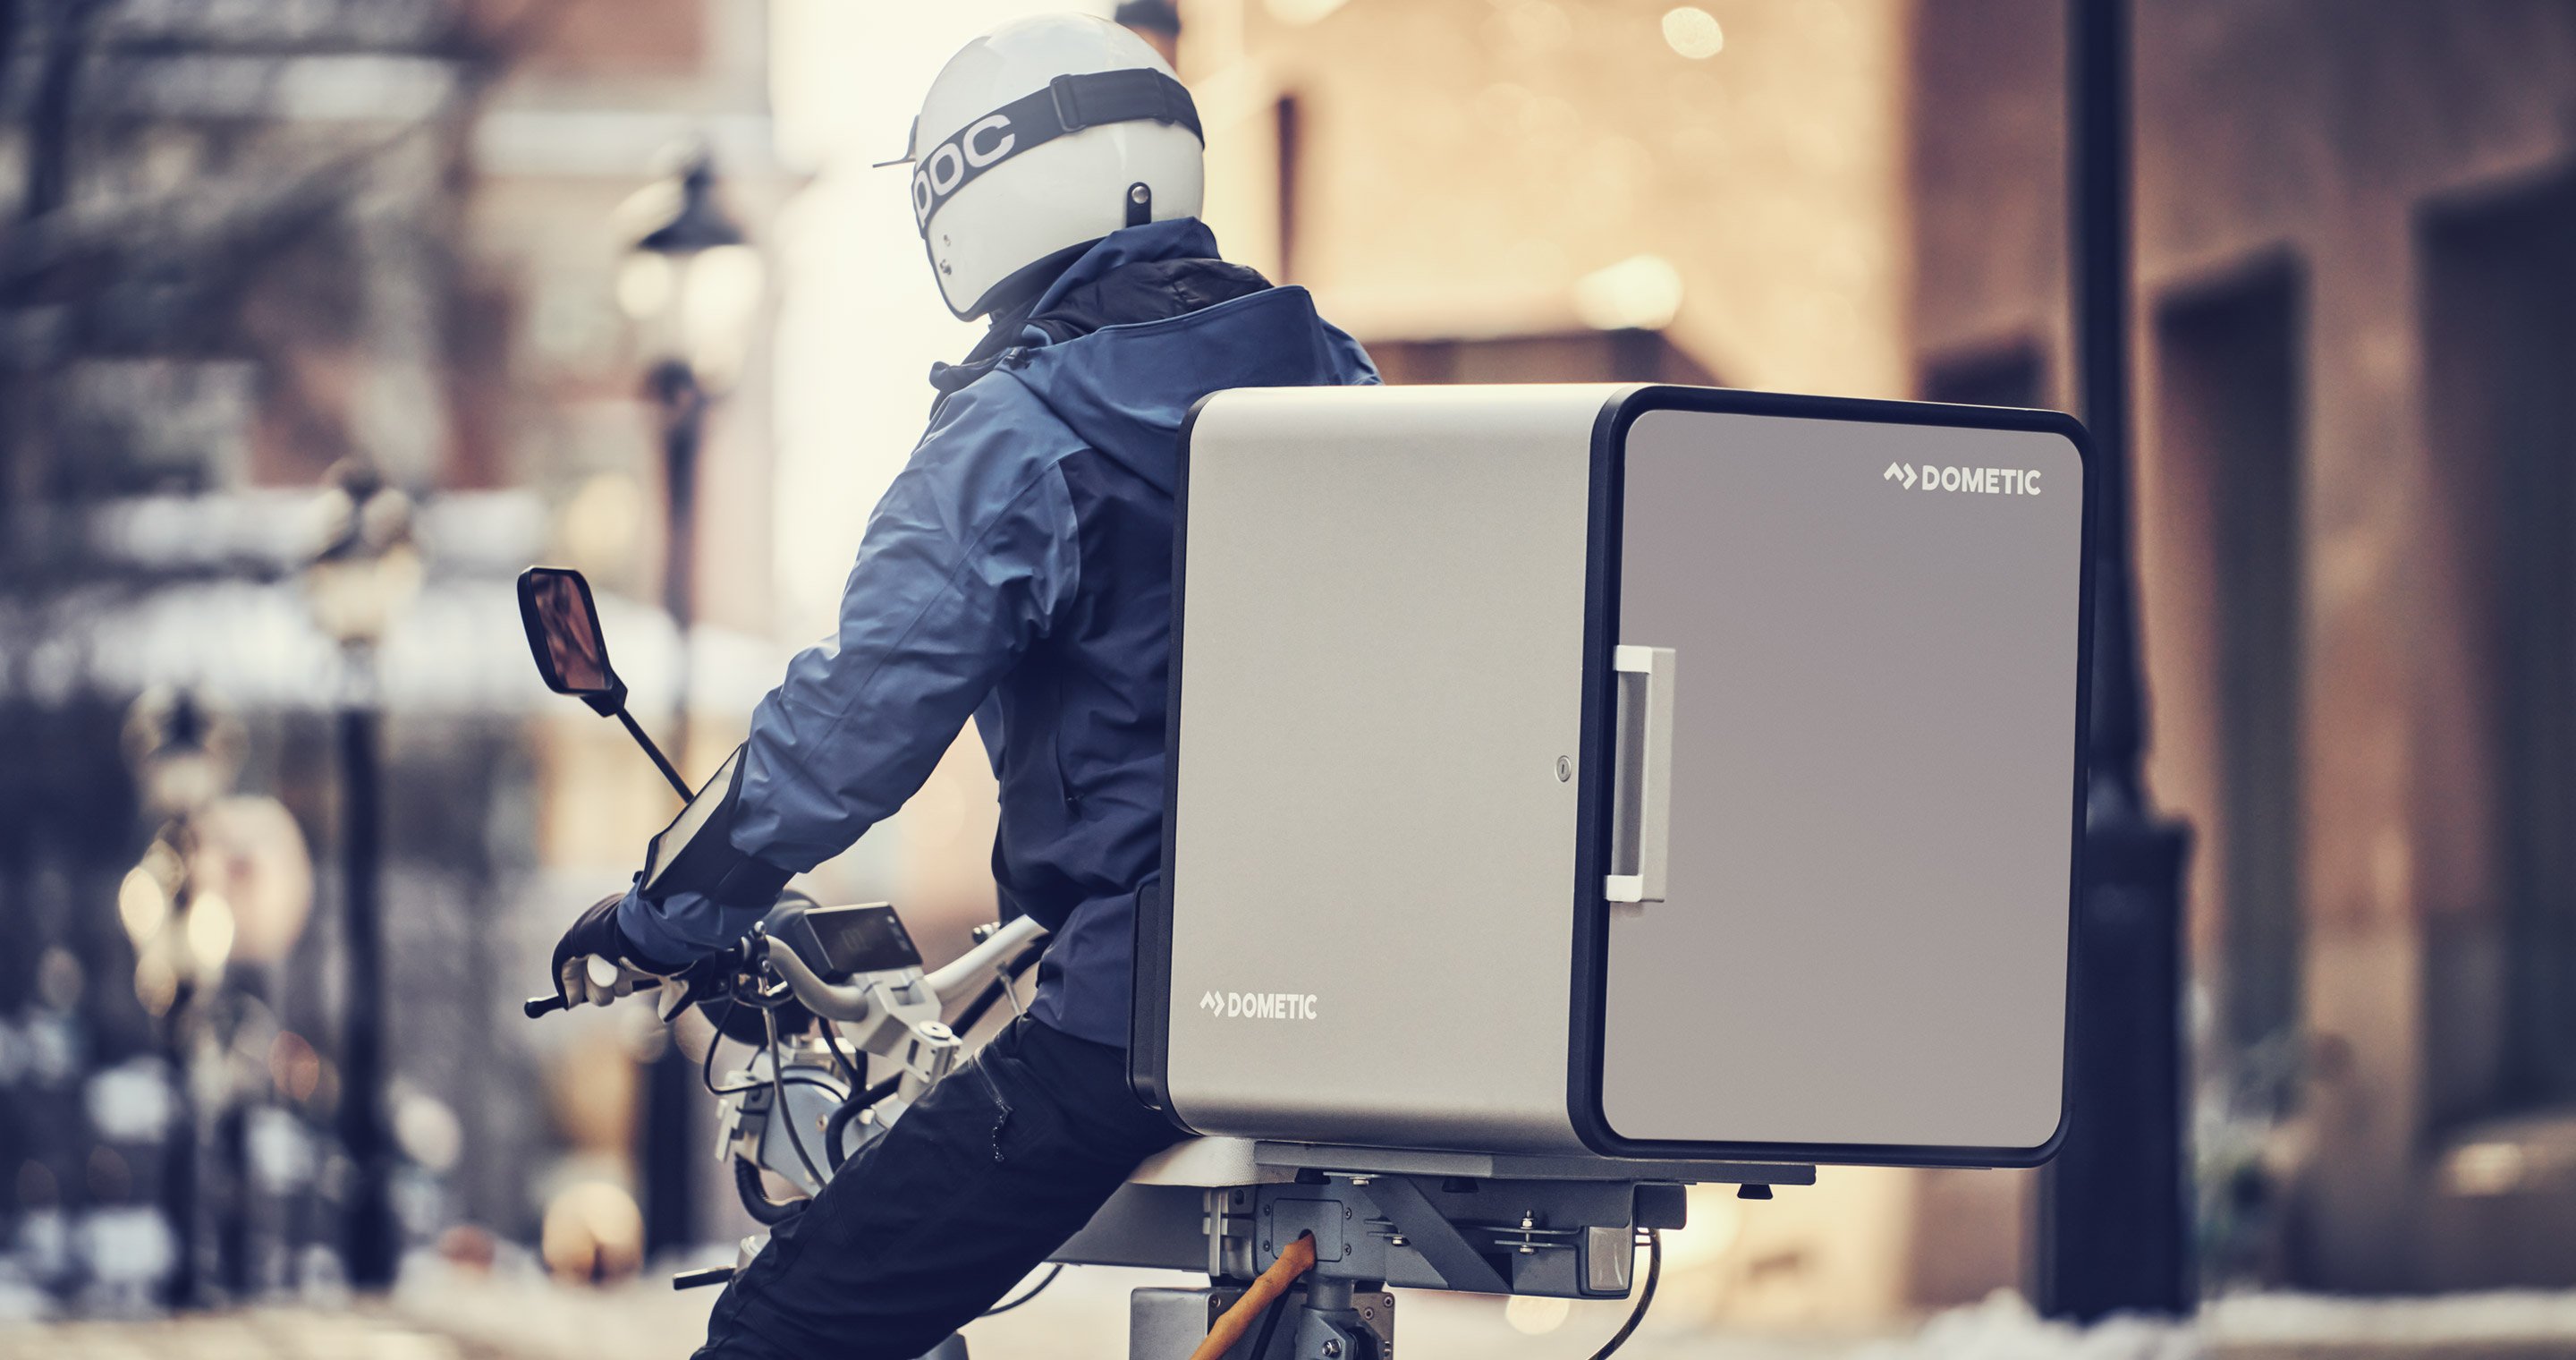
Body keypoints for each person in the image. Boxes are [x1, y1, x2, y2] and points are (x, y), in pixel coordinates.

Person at [545, 14, 1377, 1359]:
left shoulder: (1025, 429)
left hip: (1141, 1010)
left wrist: (660, 913)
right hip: (1376, 979)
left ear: (971, 200)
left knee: (785, 1331)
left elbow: (846, 732)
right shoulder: (1339, 378)